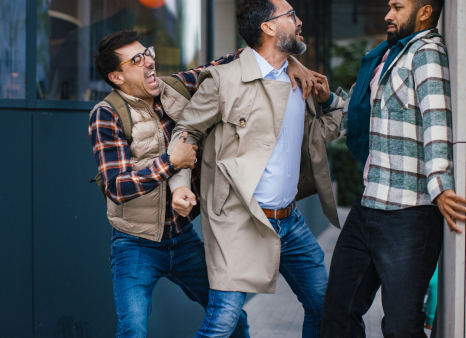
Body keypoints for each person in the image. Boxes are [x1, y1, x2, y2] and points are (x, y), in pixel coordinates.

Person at [88, 30, 315, 338]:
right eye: (137, 59)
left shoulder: (176, 88)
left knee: (232, 318)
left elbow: (231, 61)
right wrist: (171, 163)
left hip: (183, 239)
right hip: (135, 244)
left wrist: (290, 62)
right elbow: (117, 188)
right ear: (116, 76)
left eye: (148, 52)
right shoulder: (106, 114)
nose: (149, 61)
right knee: (132, 330)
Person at [166, 0, 343, 338]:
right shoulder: (224, 80)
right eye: (291, 15)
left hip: (289, 220)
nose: (299, 20)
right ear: (268, 27)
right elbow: (186, 131)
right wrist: (181, 186)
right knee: (223, 319)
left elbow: (321, 134)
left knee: (325, 306)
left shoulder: (300, 81)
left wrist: (328, 102)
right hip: (238, 219)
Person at [314, 0, 466, 337]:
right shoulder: (388, 56)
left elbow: (437, 121)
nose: (388, 13)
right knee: (338, 313)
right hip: (369, 206)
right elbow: (362, 114)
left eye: (397, 7)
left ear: (424, 12)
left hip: (409, 216)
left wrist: (441, 186)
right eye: (390, 6)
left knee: (402, 327)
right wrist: (328, 99)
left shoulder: (426, 54)